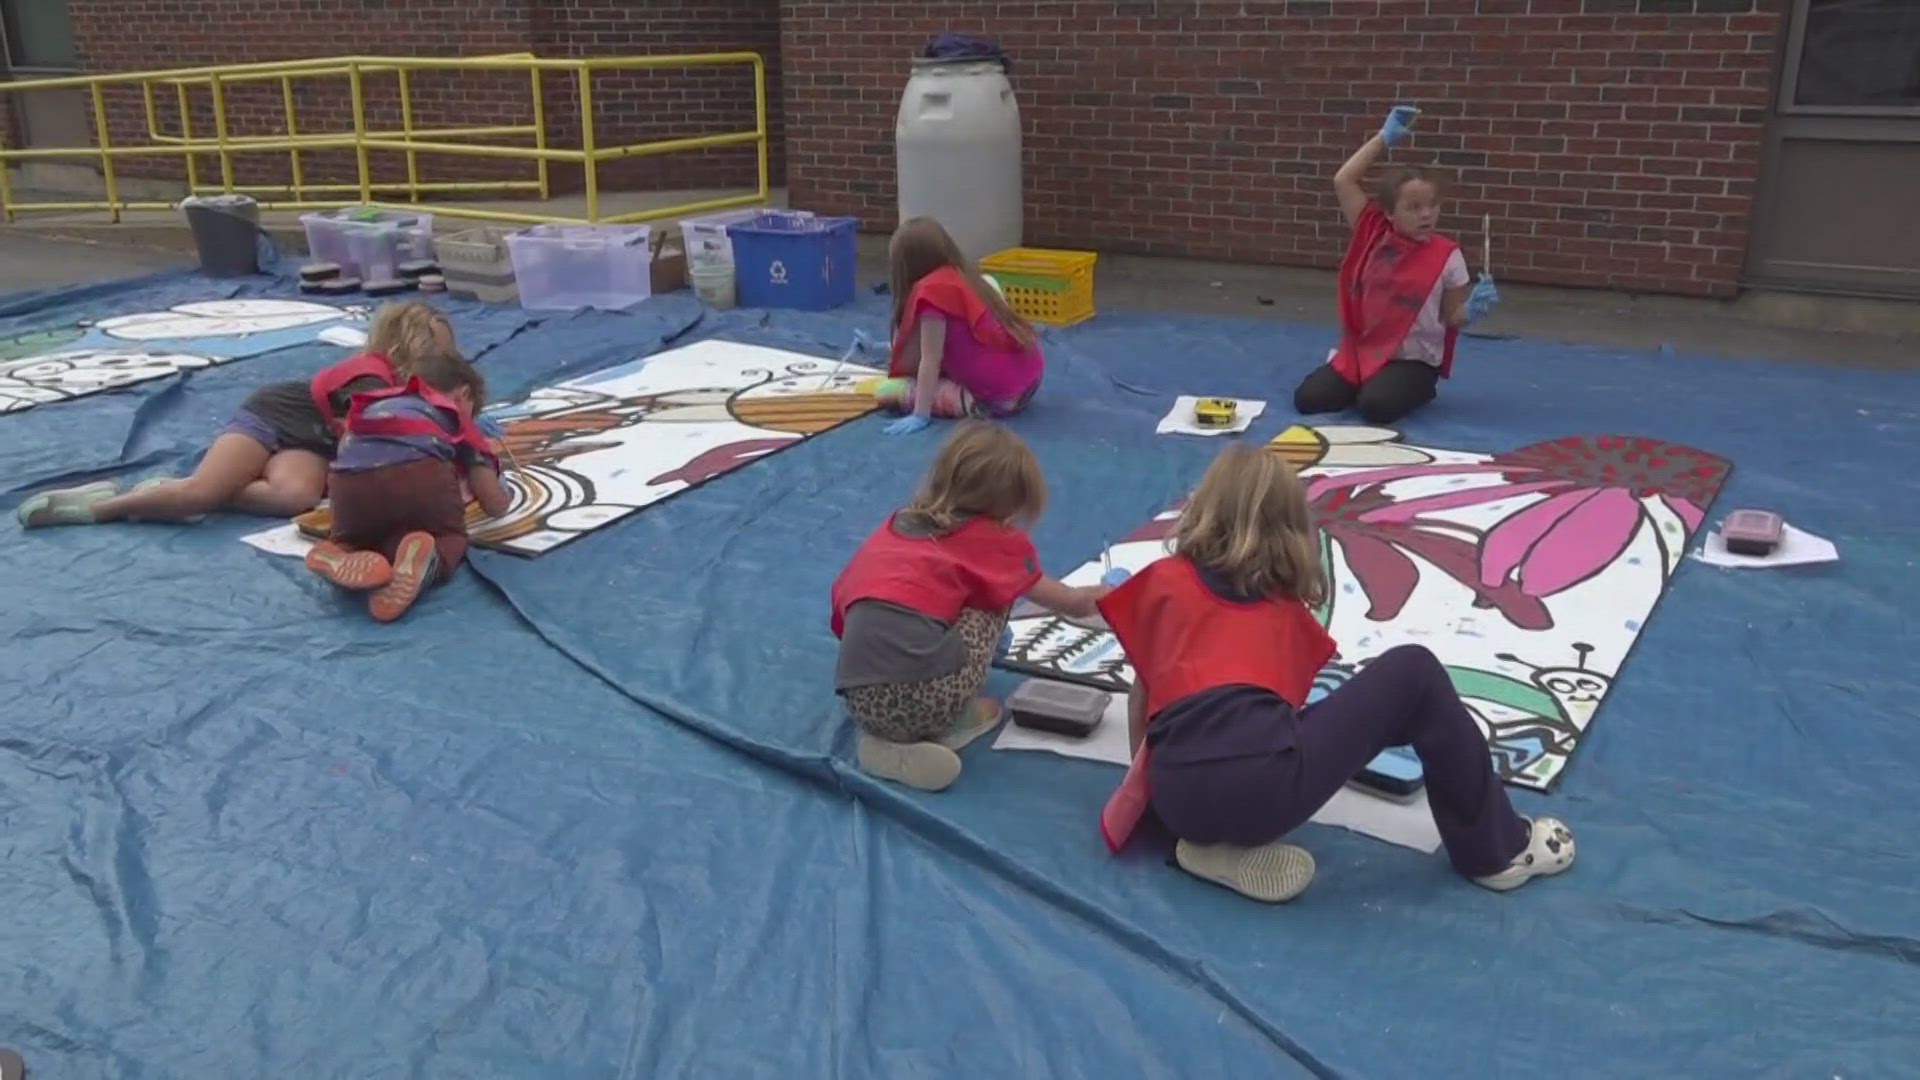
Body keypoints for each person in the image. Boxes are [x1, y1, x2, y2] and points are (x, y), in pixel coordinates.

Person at [1096, 444, 1573, 902]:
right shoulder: (1284, 615)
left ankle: (1202, 848)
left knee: (1253, 732)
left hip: (1176, 798)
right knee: (1415, 673)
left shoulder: (1163, 582)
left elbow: (1145, 697)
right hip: (1261, 798)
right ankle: (1498, 852)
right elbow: (1270, 726)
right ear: (1291, 530)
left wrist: (1155, 800)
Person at [830, 421, 1106, 790]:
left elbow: (845, 606)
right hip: (929, 702)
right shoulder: (991, 542)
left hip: (862, 702)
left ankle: (887, 745)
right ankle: (951, 723)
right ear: (1010, 503)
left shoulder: (897, 525)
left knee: (920, 607)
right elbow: (1072, 603)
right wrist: (1117, 590)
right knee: (1001, 588)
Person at [17, 300, 455, 528]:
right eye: (439, 351)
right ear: (406, 347)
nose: (447, 361)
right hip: (274, 416)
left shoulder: (394, 385)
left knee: (296, 498)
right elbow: (365, 446)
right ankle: (104, 507)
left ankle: (177, 489)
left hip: (308, 437)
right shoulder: (370, 377)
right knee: (198, 499)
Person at [1293, 105, 1500, 425]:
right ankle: (1368, 379)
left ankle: (1417, 387)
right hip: (1363, 351)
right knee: (1308, 400)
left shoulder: (1448, 256)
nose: (1426, 215)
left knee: (1376, 407)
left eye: (1432, 206)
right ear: (1389, 213)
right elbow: (1343, 179)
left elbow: (1452, 317)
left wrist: (1472, 310)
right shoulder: (1372, 232)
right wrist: (1382, 139)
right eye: (1414, 207)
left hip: (1414, 359)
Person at [304, 349, 510, 623]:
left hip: (350, 481)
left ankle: (339, 552)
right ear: (463, 395)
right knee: (448, 536)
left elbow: (346, 450)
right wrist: (502, 486)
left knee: (359, 535)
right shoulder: (454, 414)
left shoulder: (377, 404)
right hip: (417, 474)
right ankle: (428, 558)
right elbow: (492, 503)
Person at [876, 217, 1044, 436]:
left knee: (887, 391)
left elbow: (930, 359)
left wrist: (920, 413)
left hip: (1000, 398)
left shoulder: (932, 295)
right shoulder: (966, 276)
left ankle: (966, 402)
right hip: (1030, 378)